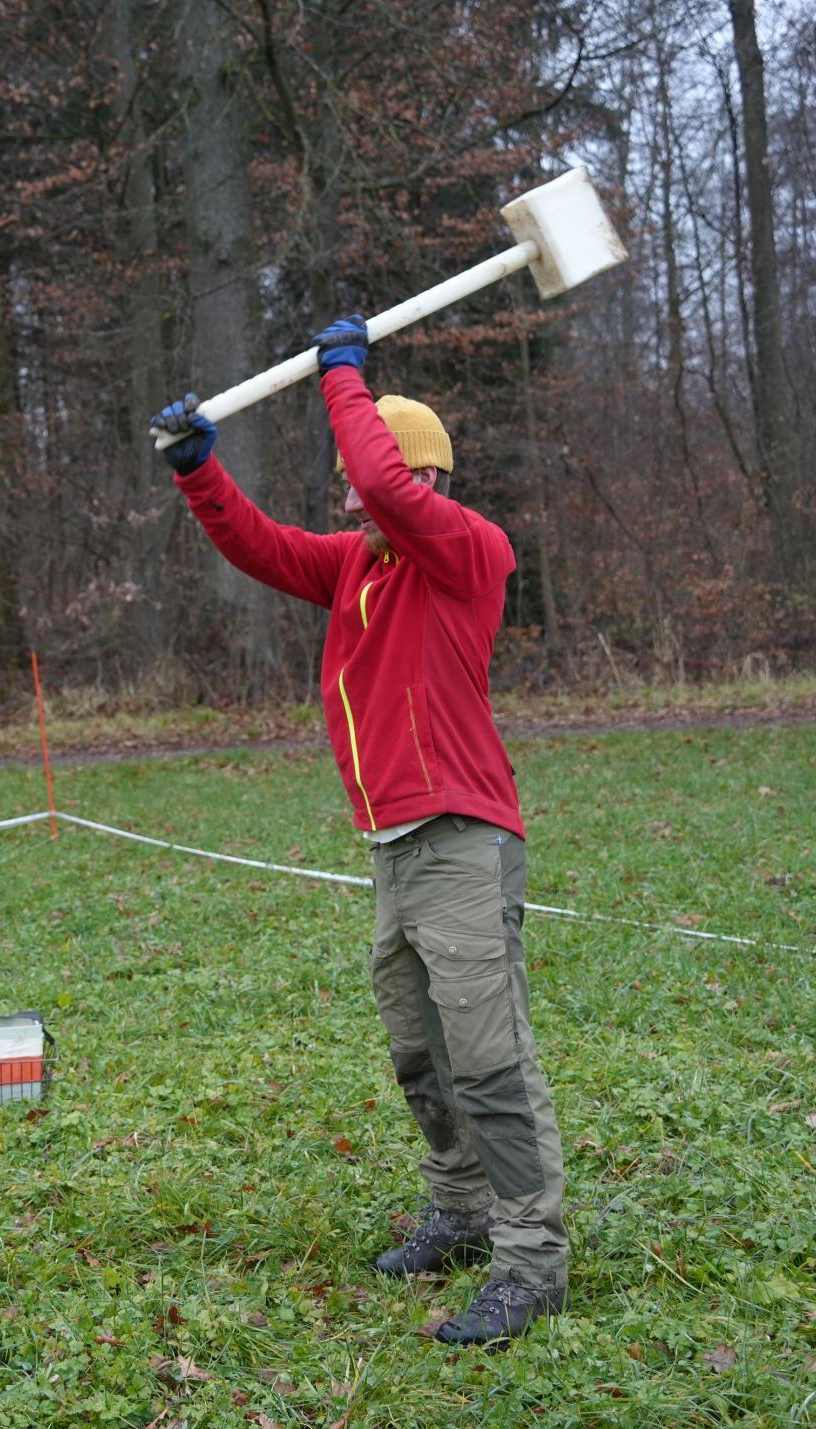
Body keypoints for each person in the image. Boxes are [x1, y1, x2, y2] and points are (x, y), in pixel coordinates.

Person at [147, 314, 568, 1347]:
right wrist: (200, 473)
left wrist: (345, 376)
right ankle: (462, 1211)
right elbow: (261, 544)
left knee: (489, 1062)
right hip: (391, 851)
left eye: (360, 471)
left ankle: (531, 1259)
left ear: (412, 475)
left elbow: (383, 485)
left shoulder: (467, 554)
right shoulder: (356, 570)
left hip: (464, 841)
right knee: (421, 1056)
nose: (345, 492)